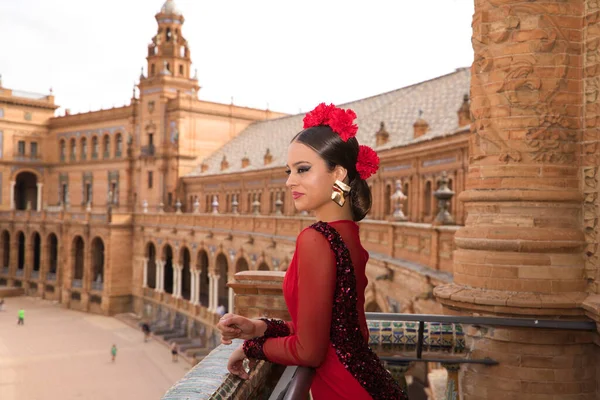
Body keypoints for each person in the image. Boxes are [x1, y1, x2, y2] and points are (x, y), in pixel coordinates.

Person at [216, 103, 407, 400]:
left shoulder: (316, 238)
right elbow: (333, 328)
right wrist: (258, 327)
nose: (290, 180)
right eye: (289, 171)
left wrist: (250, 348)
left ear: (338, 174)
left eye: (303, 169)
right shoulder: (349, 234)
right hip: (370, 382)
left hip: (342, 389)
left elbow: (309, 351)